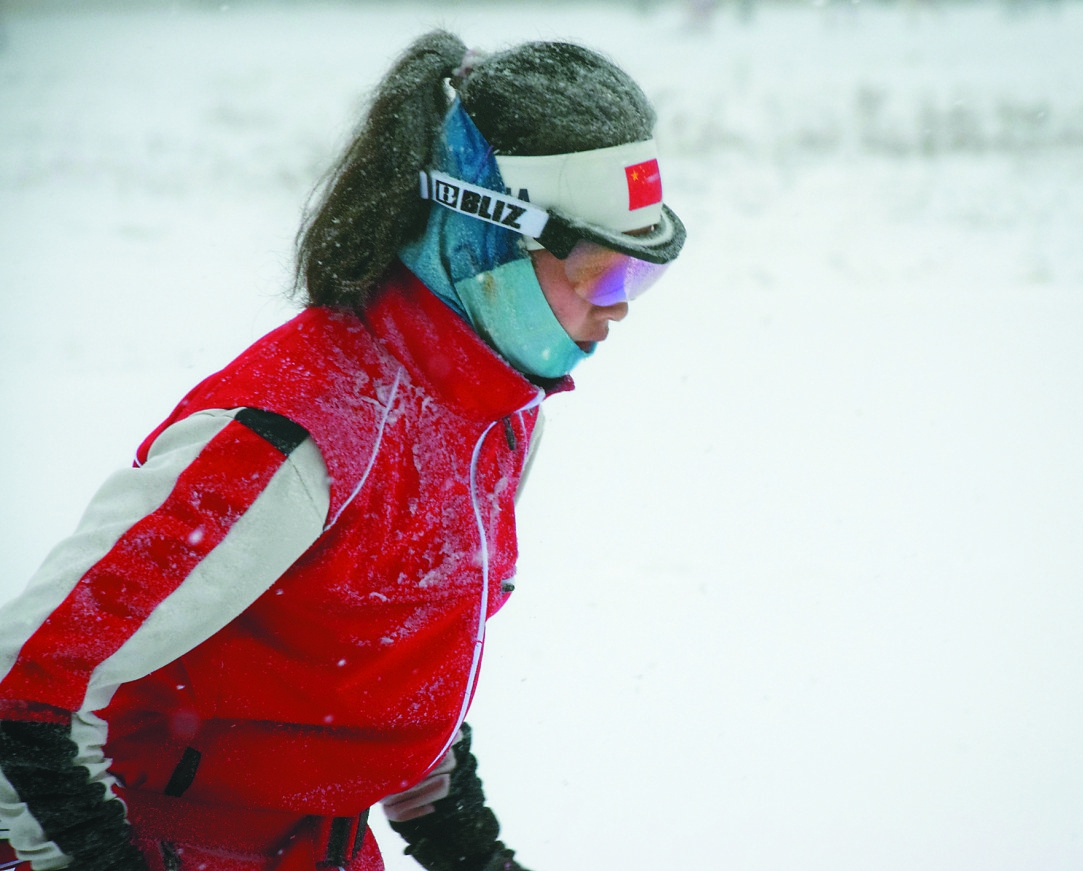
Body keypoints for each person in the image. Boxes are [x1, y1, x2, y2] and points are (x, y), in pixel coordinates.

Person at [0, 29, 685, 871]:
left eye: (641, 279)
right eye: (601, 272)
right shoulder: (292, 433)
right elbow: (23, 695)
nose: (617, 310)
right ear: (484, 234)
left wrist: (468, 847)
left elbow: (394, 674)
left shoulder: (498, 416)